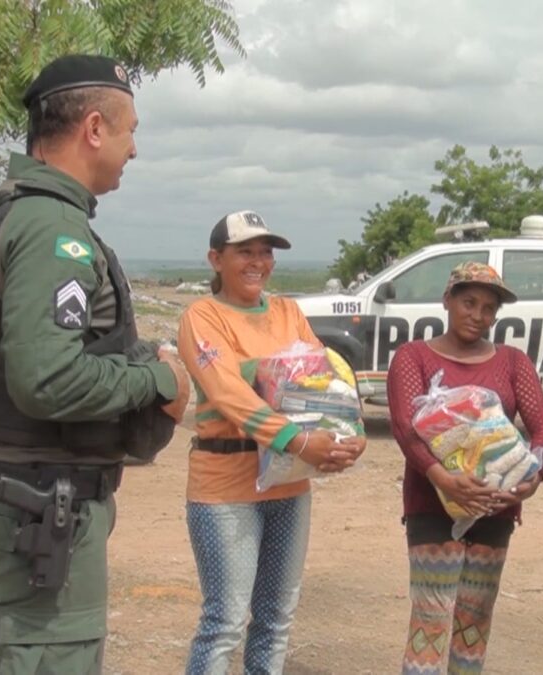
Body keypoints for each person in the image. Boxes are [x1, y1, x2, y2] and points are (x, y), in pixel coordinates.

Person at [0, 54, 190, 674]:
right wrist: (159, 378)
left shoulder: (11, 208)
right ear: (93, 129)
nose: (134, 148)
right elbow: (46, 379)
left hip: (27, 497)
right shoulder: (51, 227)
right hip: (40, 509)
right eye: (130, 129)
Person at [176, 210, 366, 675]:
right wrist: (298, 441)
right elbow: (227, 394)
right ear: (216, 259)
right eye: (245, 251)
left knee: (276, 621)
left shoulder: (287, 312)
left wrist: (348, 434)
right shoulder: (202, 316)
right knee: (224, 621)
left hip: (287, 486)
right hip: (225, 489)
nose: (258, 261)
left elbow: (319, 379)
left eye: (266, 252)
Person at [387, 262, 543, 674]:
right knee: (430, 618)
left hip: (495, 506)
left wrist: (532, 476)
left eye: (488, 307)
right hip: (433, 507)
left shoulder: (512, 362)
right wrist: (443, 477)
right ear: (447, 301)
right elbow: (408, 429)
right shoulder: (414, 357)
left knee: (475, 619)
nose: (477, 315)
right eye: (468, 302)